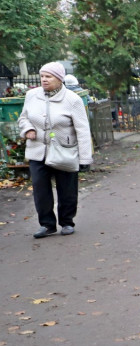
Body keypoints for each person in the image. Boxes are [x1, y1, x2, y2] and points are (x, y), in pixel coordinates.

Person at [17, 62, 93, 238]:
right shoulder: (31, 95)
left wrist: (85, 159)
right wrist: (27, 129)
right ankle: (47, 224)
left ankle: (67, 222)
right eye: (42, 76)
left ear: (59, 79)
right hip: (38, 151)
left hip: (64, 151)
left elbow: (82, 130)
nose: (44, 80)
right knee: (40, 190)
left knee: (67, 189)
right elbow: (23, 118)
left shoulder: (72, 99)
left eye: (48, 76)